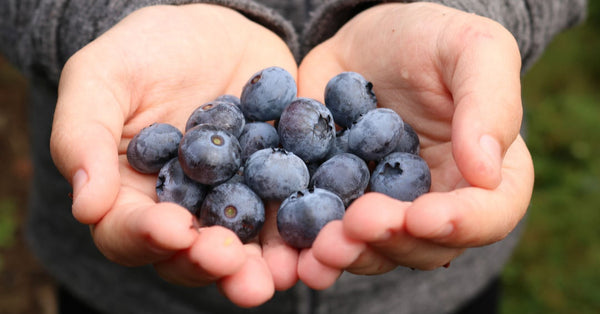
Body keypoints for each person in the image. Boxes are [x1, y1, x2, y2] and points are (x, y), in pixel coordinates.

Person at [0, 0, 587, 313]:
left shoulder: (359, 140)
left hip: (424, 293)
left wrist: (474, 12)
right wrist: (101, 17)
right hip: (135, 294)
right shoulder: (216, 152)